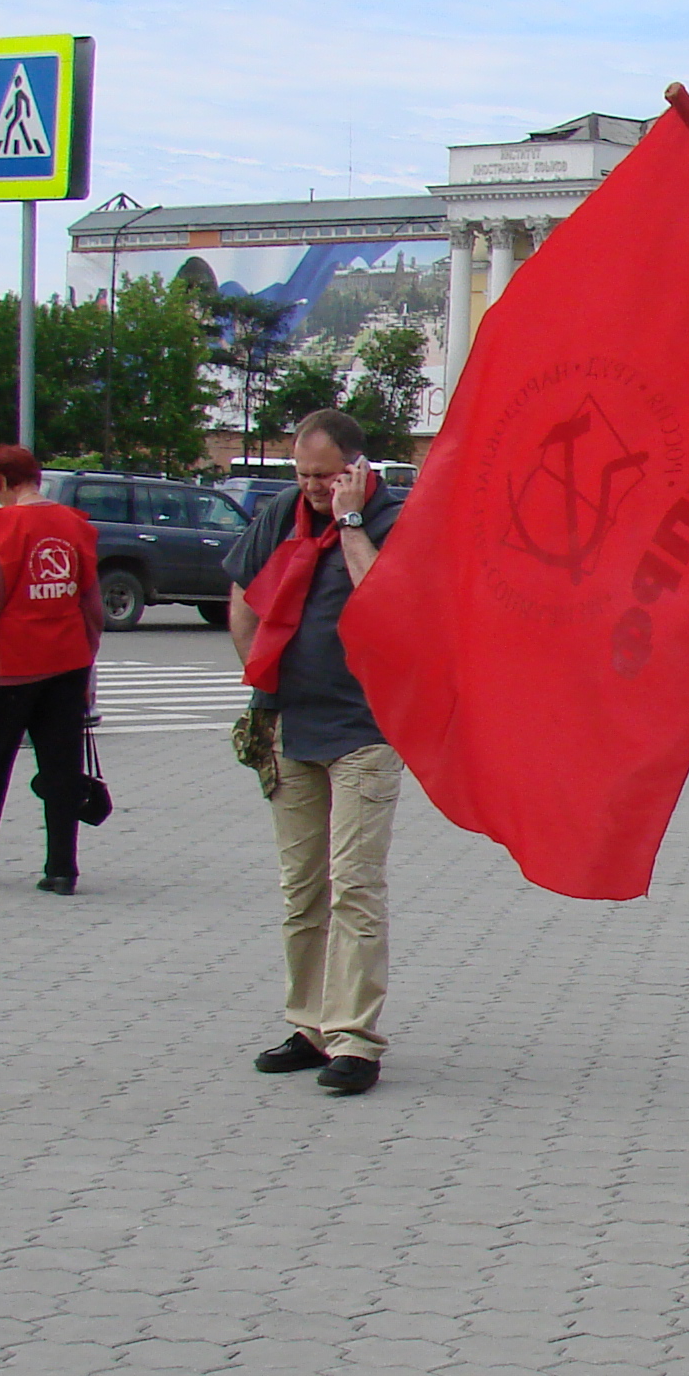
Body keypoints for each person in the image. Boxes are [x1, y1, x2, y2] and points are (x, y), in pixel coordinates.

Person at [225, 410, 407, 1097]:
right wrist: (259, 681)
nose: (312, 490)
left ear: (357, 468)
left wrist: (353, 520)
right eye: (303, 476)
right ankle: (309, 1025)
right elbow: (241, 599)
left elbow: (386, 601)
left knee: (355, 884)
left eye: (325, 478)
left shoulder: (388, 518)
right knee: (303, 889)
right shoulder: (282, 514)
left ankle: (355, 1039)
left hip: (364, 729)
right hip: (289, 726)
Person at [0, 445, 103, 894]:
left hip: (11, 666)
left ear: (1, 481)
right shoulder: (76, 526)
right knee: (61, 766)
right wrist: (88, 667)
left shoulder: (2, 529)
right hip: (67, 662)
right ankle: (61, 868)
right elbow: (92, 607)